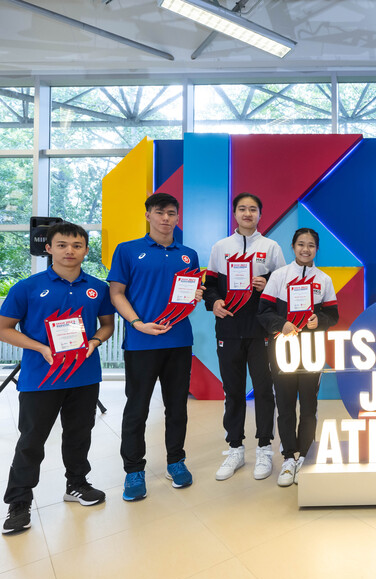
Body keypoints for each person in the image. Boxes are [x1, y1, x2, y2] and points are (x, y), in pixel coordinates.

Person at [0, 222, 114, 534]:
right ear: (48, 248)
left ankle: (76, 485)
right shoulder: (27, 287)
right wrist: (39, 347)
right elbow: (4, 327)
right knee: (31, 441)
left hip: (84, 376)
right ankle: (19, 502)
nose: (70, 251)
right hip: (41, 378)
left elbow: (106, 325)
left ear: (86, 250)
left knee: (79, 435)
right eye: (62, 245)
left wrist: (95, 341)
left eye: (77, 245)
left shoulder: (98, 288)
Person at [108, 192, 203, 501]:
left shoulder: (188, 254)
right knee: (137, 409)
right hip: (141, 341)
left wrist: (195, 298)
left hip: (179, 341)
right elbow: (117, 293)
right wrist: (137, 323)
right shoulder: (127, 251)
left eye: (172, 213)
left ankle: (176, 461)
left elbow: (186, 296)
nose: (166, 218)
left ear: (178, 217)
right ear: (147, 215)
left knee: (177, 407)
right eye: (160, 212)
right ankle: (134, 471)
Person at [204, 192, 285, 481]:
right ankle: (235, 448)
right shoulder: (221, 247)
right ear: (235, 214)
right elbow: (210, 286)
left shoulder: (271, 247)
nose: (247, 213)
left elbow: (284, 290)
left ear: (260, 215)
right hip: (228, 329)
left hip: (261, 331)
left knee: (264, 391)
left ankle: (264, 449)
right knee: (233, 391)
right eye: (242, 209)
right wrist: (213, 302)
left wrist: (267, 284)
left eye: (253, 209)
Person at [258, 228, 338, 487]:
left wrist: (319, 321)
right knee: (284, 404)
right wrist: (281, 325)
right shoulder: (280, 276)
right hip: (283, 350)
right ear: (293, 247)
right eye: (301, 244)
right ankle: (288, 458)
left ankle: (305, 456)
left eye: (311, 245)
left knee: (309, 405)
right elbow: (264, 311)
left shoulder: (324, 280)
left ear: (317, 249)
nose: (306, 249)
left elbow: (333, 315)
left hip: (311, 351)